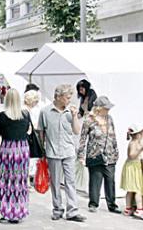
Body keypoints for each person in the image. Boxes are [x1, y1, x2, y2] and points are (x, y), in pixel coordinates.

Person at [38, 84, 86, 222]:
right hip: (52, 152)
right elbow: (41, 132)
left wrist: (75, 116)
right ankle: (57, 209)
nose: (69, 100)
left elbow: (77, 131)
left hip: (68, 151)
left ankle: (72, 211)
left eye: (70, 97)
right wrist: (43, 150)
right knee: (55, 183)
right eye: (67, 97)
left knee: (70, 182)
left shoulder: (70, 112)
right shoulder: (45, 112)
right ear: (58, 97)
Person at [77, 96, 121, 214]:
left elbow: (113, 136)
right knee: (95, 180)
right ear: (99, 108)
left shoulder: (109, 118)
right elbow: (82, 139)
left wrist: (116, 151)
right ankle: (93, 203)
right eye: (106, 108)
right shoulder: (89, 120)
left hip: (110, 155)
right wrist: (80, 155)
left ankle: (112, 204)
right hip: (95, 154)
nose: (108, 110)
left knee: (110, 180)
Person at [0, 88, 31, 224]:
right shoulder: (26, 114)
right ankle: (19, 210)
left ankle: (6, 210)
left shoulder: (3, 115)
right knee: (20, 181)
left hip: (8, 149)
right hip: (22, 149)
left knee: (5, 180)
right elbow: (27, 129)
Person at [121, 124, 143, 220]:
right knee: (138, 189)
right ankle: (139, 210)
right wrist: (140, 150)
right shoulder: (133, 143)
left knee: (131, 189)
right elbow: (131, 156)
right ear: (137, 134)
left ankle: (128, 208)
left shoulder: (137, 142)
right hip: (132, 167)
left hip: (133, 167)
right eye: (141, 133)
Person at [23, 90, 41, 188]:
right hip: (28, 137)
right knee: (29, 159)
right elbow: (31, 126)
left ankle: (27, 181)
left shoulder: (24, 109)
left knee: (27, 159)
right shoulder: (27, 111)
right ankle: (27, 181)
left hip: (25, 137)